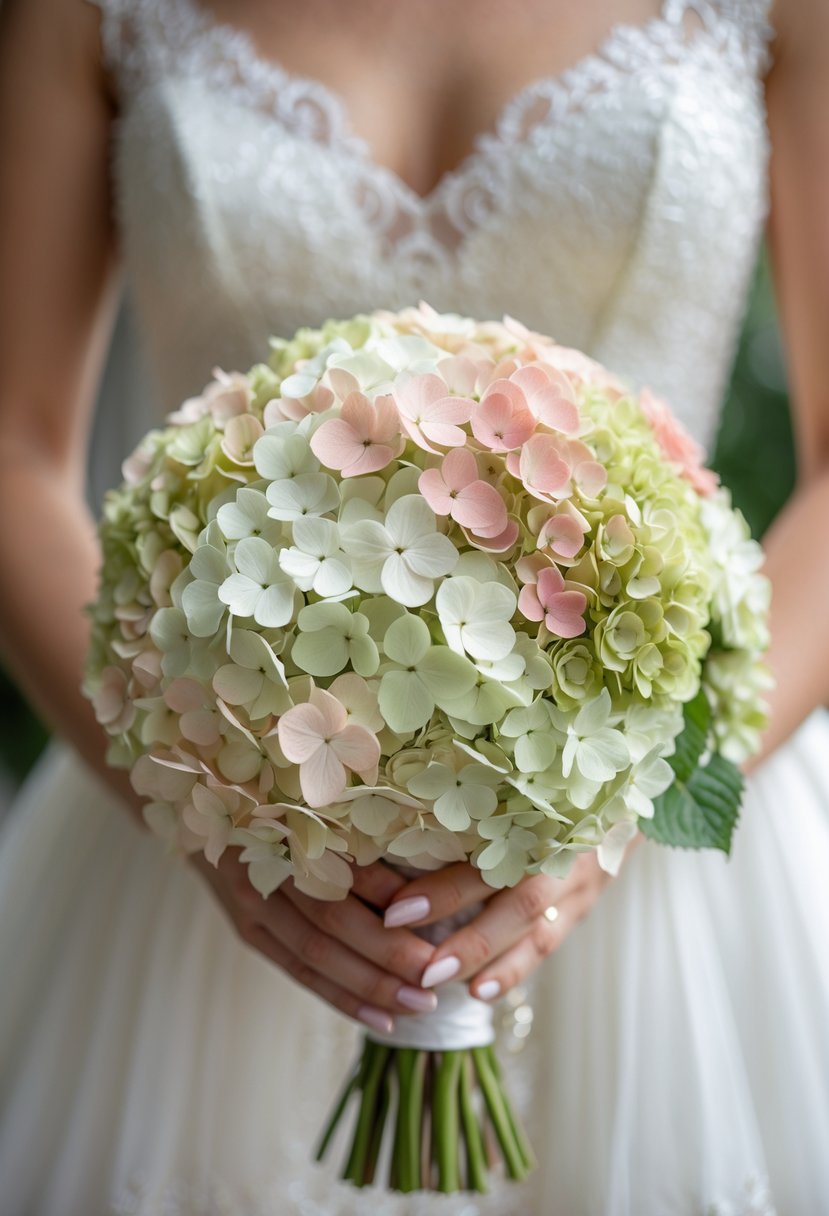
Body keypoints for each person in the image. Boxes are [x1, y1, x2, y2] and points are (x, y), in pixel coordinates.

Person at [0, 0, 827, 1211]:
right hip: (221, 819)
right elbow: (14, 447)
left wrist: (634, 799)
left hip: (659, 844)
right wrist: (199, 812)